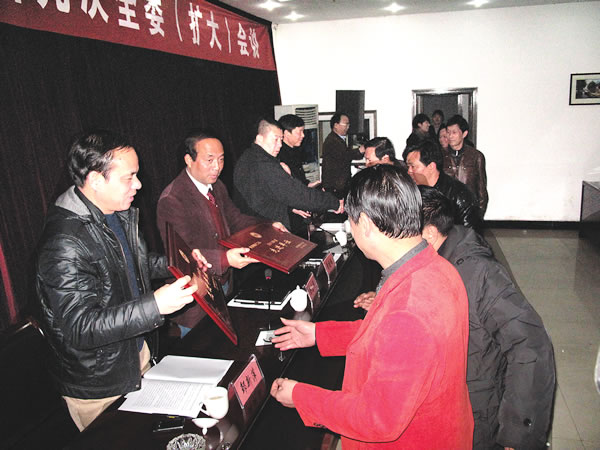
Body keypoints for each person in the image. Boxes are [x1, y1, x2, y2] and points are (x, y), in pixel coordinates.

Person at [270, 165, 473, 449]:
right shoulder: (436, 267)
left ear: (364, 223)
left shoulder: (409, 309)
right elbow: (387, 337)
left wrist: (301, 396)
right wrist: (319, 334)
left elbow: (376, 419)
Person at [35, 131, 208, 431]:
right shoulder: (65, 243)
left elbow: (132, 264)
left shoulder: (113, 212)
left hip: (134, 357)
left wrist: (182, 264)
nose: (138, 185)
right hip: (101, 384)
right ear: (96, 180)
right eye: (129, 177)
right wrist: (155, 306)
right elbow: (80, 328)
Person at [419, 186, 555, 450]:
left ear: (430, 234)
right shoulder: (434, 260)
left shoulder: (478, 273)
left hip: (477, 411)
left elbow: (530, 344)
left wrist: (518, 435)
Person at [157, 131, 286, 336]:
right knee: (200, 346)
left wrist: (267, 226)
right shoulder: (173, 199)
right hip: (196, 295)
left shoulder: (216, 186)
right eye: (209, 160)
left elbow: (235, 219)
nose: (217, 167)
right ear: (189, 160)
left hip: (225, 283)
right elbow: (183, 254)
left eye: (221, 159)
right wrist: (225, 259)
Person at [233, 118, 343, 230]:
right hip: (264, 228)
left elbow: (265, 197)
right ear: (259, 139)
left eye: (281, 140)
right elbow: (298, 195)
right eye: (275, 139)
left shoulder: (248, 157)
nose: (280, 145)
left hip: (253, 226)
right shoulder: (264, 164)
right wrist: (334, 202)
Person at [405, 139, 481, 229]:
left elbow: (469, 233)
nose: (409, 171)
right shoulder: (411, 191)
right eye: (408, 166)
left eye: (413, 166)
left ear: (431, 167)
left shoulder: (459, 195)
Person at [278, 114, 322, 232]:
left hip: (299, 207)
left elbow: (298, 178)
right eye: (299, 132)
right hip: (287, 215)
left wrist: (308, 184)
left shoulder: (295, 151)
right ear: (286, 133)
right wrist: (291, 208)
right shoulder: (279, 155)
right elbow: (278, 190)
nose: (303, 135)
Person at [443, 115, 489, 217]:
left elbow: (481, 189)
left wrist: (479, 214)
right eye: (448, 132)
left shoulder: (476, 156)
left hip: (469, 210)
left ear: (464, 134)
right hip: (446, 212)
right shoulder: (440, 155)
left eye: (454, 132)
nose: (450, 136)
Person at [321, 112, 364, 197]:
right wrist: (360, 150)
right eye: (346, 124)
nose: (348, 127)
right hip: (335, 186)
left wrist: (360, 152)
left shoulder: (339, 139)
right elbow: (345, 155)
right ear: (336, 125)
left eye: (348, 124)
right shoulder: (332, 141)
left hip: (340, 185)